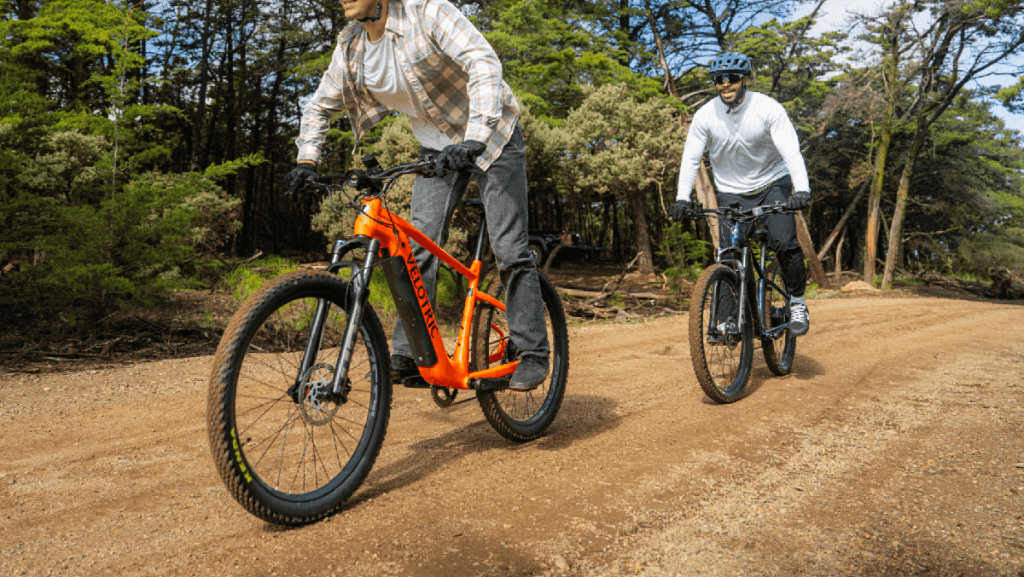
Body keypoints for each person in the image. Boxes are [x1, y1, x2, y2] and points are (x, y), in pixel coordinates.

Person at [284, 0, 549, 390]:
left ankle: (533, 352)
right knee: (417, 246)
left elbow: (483, 62)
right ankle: (410, 353)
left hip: (492, 136)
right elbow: (319, 106)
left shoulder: (427, 12)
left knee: (509, 248)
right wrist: (307, 160)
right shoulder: (352, 47)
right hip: (435, 148)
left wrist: (475, 136)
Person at [668, 51, 811, 336]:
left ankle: (797, 301)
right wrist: (682, 197)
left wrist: (803, 189)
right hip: (731, 192)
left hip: (772, 183)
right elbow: (690, 159)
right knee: (727, 255)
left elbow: (790, 151)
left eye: (731, 78)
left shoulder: (767, 108)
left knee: (783, 241)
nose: (725, 84)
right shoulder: (706, 115)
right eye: (719, 79)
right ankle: (727, 321)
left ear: (744, 79)